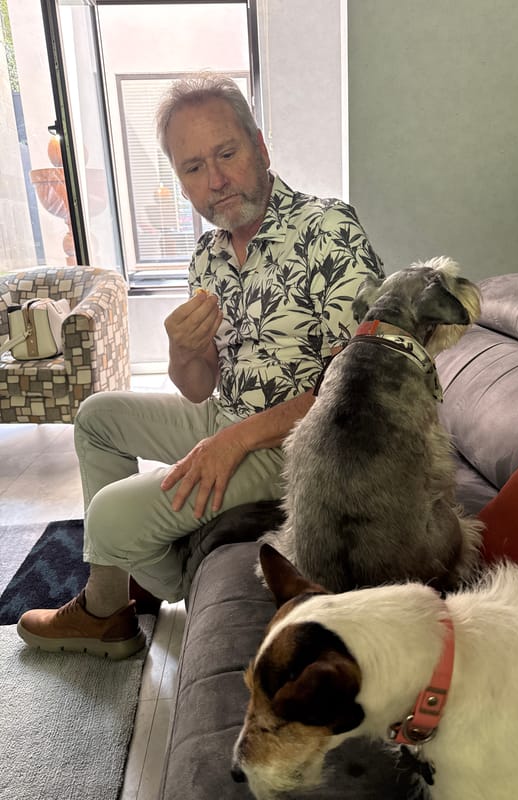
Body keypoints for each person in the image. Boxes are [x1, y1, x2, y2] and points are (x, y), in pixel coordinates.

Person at [16, 71, 384, 659]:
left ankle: (120, 587)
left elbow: (356, 392)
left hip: (298, 446)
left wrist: (232, 441)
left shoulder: (328, 230)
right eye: (193, 167)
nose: (215, 180)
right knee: (96, 417)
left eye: (227, 154)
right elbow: (198, 388)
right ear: (181, 183)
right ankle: (113, 599)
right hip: (224, 415)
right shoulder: (207, 256)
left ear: (259, 148)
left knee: (109, 517)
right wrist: (183, 352)